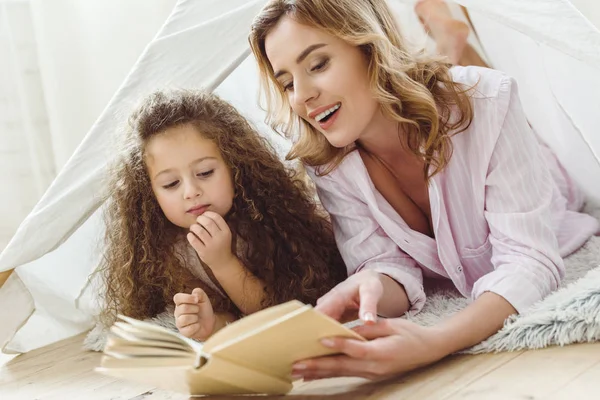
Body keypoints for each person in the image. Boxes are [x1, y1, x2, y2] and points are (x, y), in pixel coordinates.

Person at [248, 0, 599, 379]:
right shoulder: (328, 162)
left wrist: (436, 342)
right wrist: (369, 284)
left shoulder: (488, 101)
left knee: (479, 97)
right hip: (421, 99)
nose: (301, 97)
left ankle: (452, 39)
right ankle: (446, 41)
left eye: (318, 65)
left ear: (370, 48)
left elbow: (529, 260)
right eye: (286, 83)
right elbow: (384, 263)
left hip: (536, 171)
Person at [98, 89, 347, 341]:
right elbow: (230, 313)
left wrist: (222, 261)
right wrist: (211, 323)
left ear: (234, 166)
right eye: (171, 183)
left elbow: (275, 312)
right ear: (150, 194)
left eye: (205, 172)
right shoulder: (164, 250)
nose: (191, 191)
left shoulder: (265, 222)